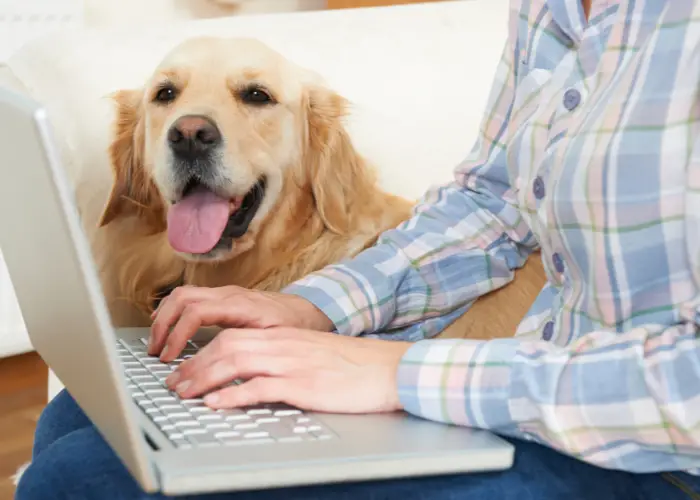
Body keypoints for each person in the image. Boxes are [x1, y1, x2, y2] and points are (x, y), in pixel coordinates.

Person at [15, 0, 700, 498]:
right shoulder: (555, 10)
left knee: (77, 479)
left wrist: (397, 374)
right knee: (75, 421)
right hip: (541, 394)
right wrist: (313, 309)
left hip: (652, 453)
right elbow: (496, 203)